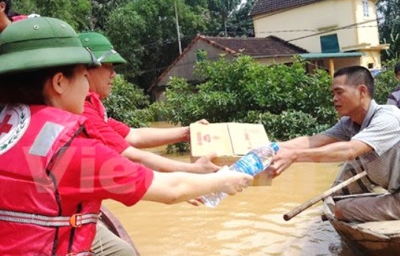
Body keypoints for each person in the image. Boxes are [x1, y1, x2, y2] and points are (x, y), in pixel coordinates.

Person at [0, 16, 253, 255]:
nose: (88, 88)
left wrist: (187, 137)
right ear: (59, 83)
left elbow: (132, 138)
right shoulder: (71, 150)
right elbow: (170, 190)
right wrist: (224, 179)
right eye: (84, 76)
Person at [78, 32, 223, 255]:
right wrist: (193, 171)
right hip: (72, 215)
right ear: (84, 70)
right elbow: (130, 155)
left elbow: (133, 136)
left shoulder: (93, 105)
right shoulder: (83, 110)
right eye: (107, 66)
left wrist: (186, 132)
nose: (113, 74)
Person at [271, 66, 400, 222]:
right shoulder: (349, 123)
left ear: (362, 91)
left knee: (339, 209)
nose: (334, 99)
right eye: (333, 94)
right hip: (395, 193)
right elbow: (313, 141)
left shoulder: (388, 118)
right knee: (338, 202)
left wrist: (294, 156)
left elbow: (350, 150)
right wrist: (272, 148)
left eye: (339, 92)